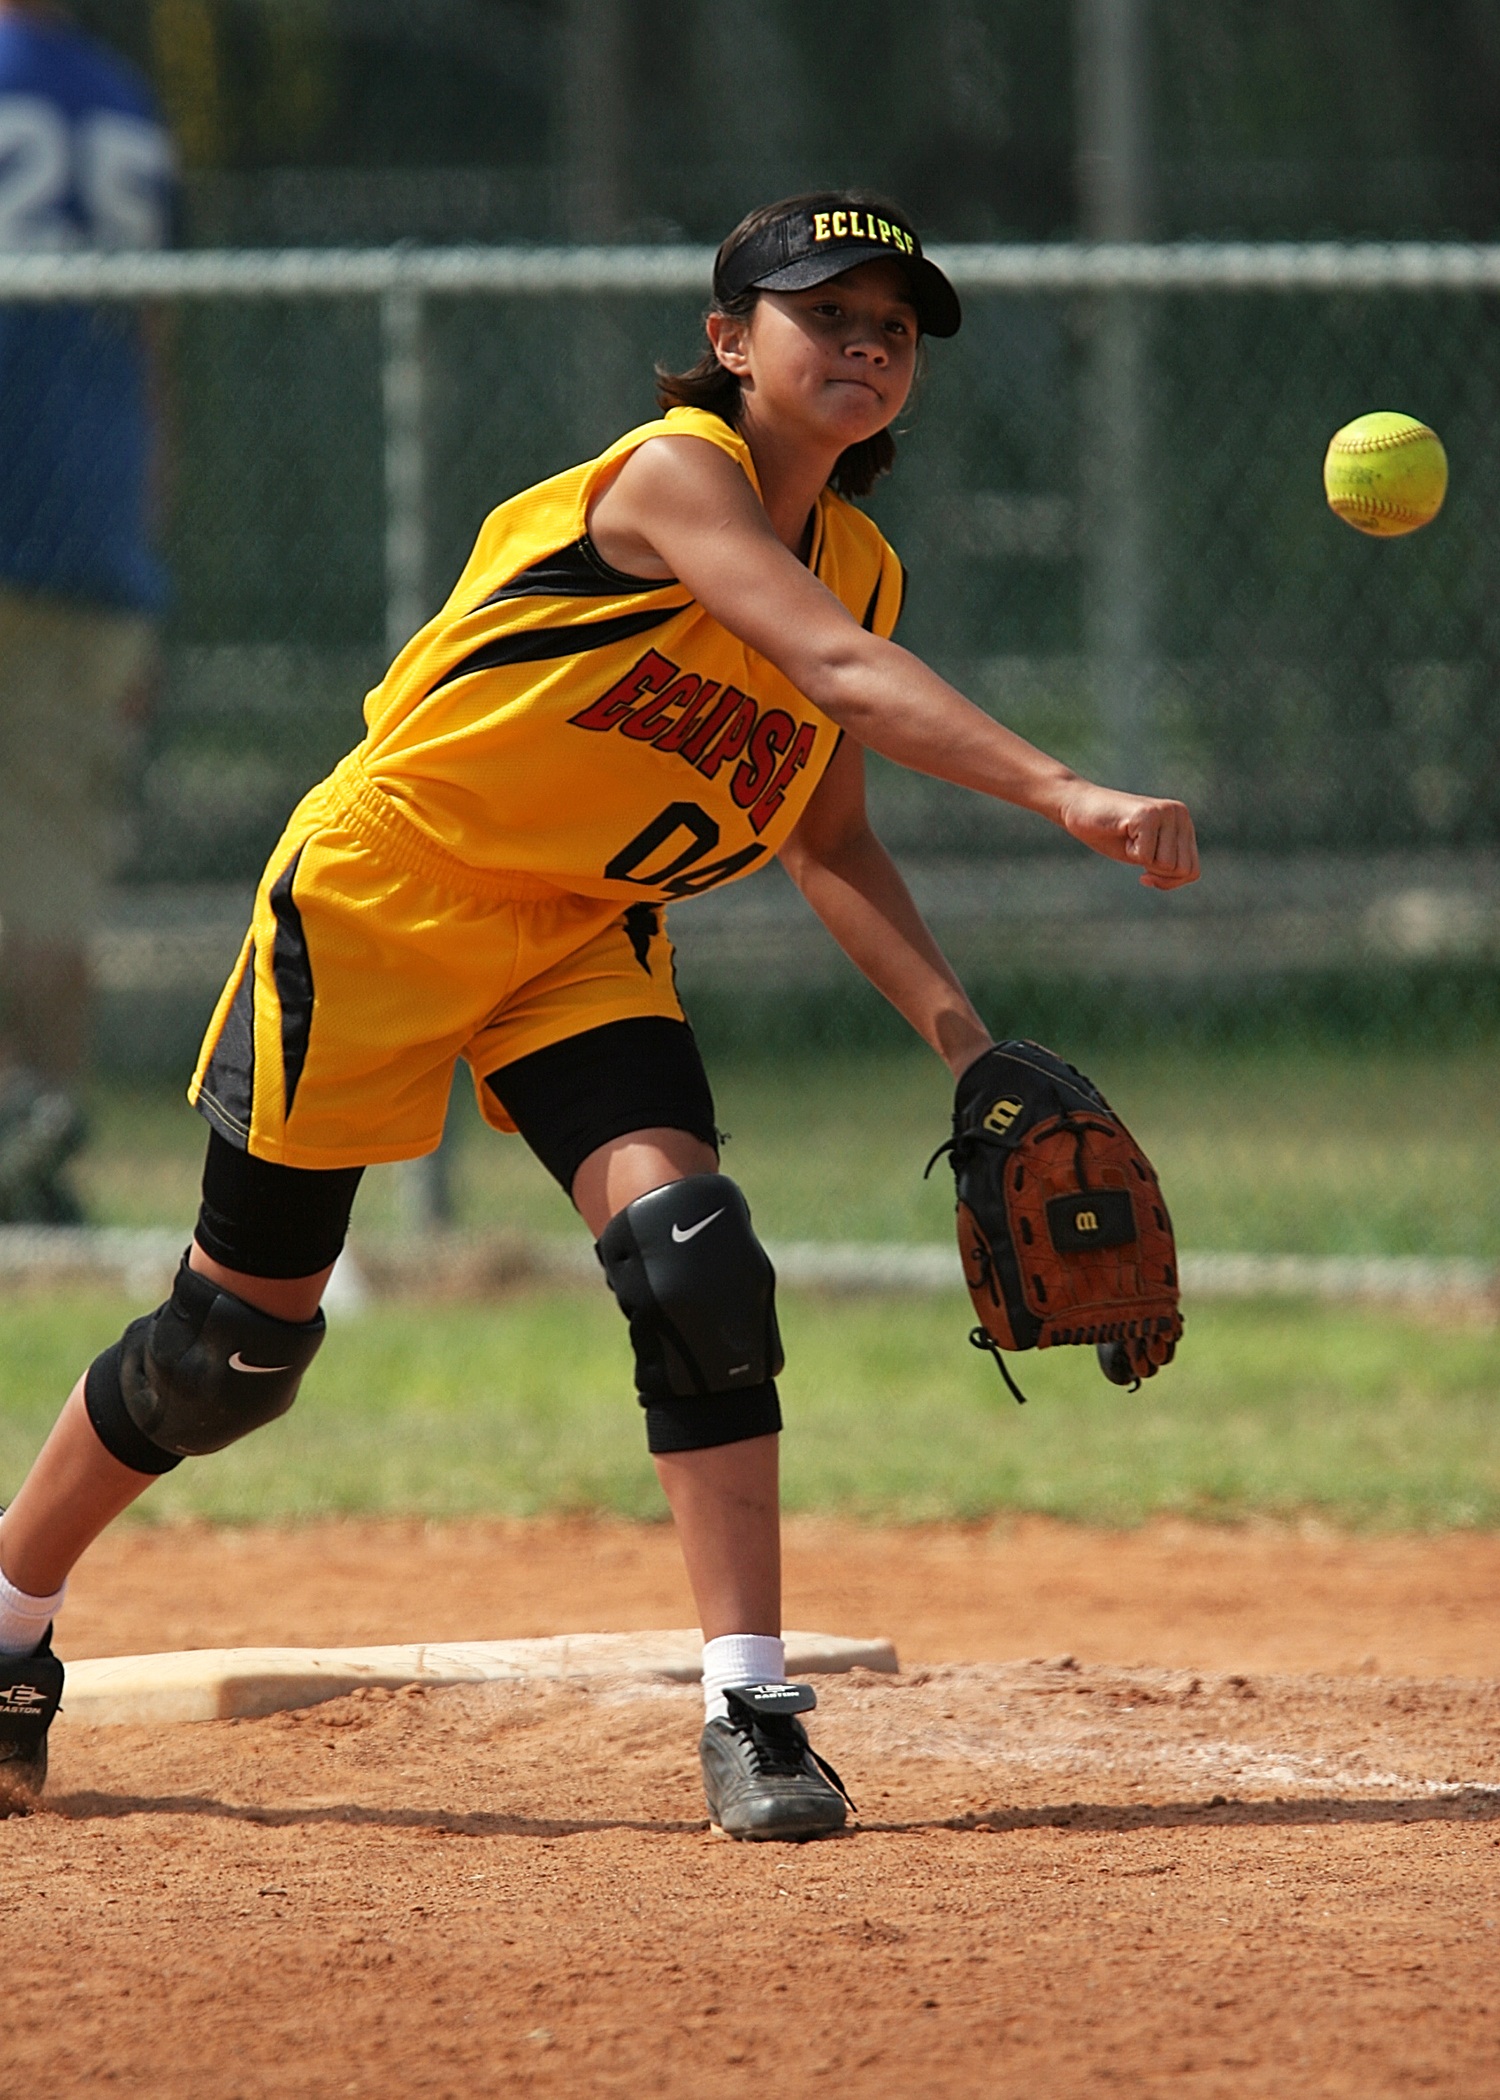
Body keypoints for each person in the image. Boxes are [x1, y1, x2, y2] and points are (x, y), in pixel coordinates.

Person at [0, 192, 1198, 1836]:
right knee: (234, 1350)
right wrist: (1066, 790)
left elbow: (828, 834)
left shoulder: (861, 560)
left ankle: (752, 1704)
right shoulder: (672, 481)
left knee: (694, 1252)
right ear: (726, 345)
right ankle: (9, 1616)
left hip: (577, 936)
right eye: (821, 314)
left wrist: (965, 1041)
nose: (861, 343)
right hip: (386, 899)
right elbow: (837, 678)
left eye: (892, 329)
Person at [0, 0, 175, 1220]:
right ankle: (43, 1138)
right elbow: (156, 337)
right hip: (94, 545)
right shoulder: (122, 99)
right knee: (53, 865)